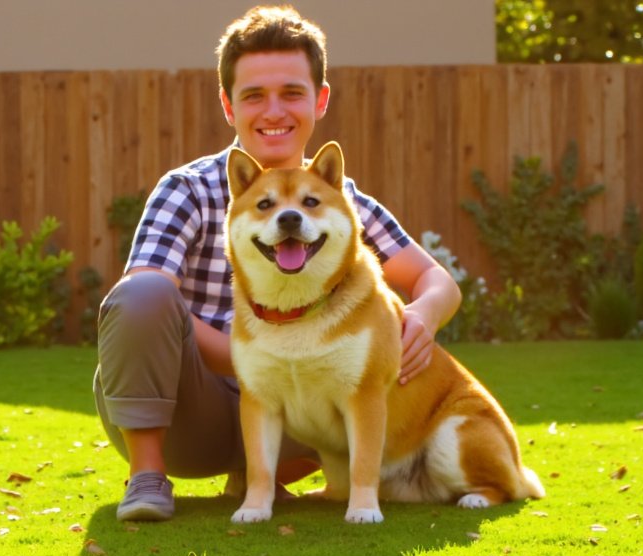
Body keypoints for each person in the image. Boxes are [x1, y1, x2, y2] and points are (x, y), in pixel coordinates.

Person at [93, 4, 462, 522]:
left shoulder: (339, 199)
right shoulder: (188, 190)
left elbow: (436, 279)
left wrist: (423, 316)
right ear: (227, 105)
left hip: (298, 419)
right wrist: (257, 356)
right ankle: (148, 475)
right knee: (140, 295)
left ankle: (261, 475)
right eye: (253, 96)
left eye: (292, 93)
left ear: (320, 99)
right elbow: (145, 302)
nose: (273, 111)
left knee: (356, 355)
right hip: (189, 410)